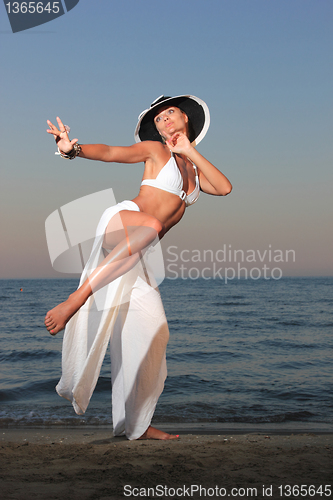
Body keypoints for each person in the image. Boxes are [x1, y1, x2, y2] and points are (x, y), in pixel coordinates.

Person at [45, 95, 232, 440]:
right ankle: (76, 299)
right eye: (158, 119)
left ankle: (136, 424)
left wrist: (190, 151)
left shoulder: (190, 168)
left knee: (152, 332)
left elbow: (224, 188)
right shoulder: (154, 151)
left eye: (169, 114)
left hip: (137, 254)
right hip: (123, 224)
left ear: (186, 119)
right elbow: (113, 153)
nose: (163, 121)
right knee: (152, 226)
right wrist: (72, 149)